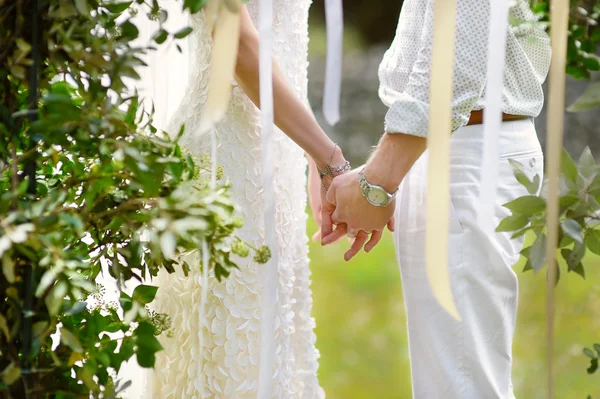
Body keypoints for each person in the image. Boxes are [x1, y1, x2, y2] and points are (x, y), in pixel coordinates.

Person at [321, 0, 551, 397]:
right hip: (452, 143)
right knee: (454, 376)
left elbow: (453, 60)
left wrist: (378, 181)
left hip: (466, 146)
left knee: (462, 382)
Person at [141, 2, 350, 398]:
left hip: (271, 161)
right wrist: (329, 160)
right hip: (223, 164)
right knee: (226, 353)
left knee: (267, 352)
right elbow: (237, 46)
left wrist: (308, 154)